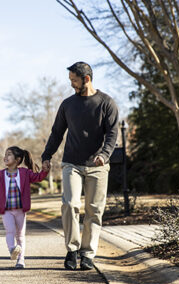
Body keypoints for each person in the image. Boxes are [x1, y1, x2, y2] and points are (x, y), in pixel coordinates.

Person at [41, 62, 119, 271]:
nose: (71, 85)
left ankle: (88, 253)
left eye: (74, 80)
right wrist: (47, 155)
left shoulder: (106, 103)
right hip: (72, 163)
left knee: (94, 210)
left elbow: (112, 134)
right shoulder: (68, 104)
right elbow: (57, 132)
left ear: (86, 79)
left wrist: (104, 154)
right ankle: (72, 249)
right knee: (70, 204)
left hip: (98, 164)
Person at [0, 146, 49, 268]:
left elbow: (38, 177)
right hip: (6, 211)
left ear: (18, 159)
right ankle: (12, 250)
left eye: (9, 154)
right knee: (10, 231)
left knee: (20, 235)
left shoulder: (25, 173)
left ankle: (21, 260)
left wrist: (45, 171)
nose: (5, 157)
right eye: (5, 154)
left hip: (20, 210)